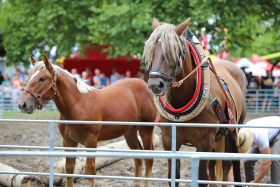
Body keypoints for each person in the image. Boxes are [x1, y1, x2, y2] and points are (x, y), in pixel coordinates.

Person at [238, 116, 280, 185]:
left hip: (278, 130)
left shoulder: (259, 135)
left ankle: (276, 184)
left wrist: (256, 181)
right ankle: (249, 185)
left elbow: (267, 161)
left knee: (275, 158)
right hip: (266, 133)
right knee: (247, 161)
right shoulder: (241, 135)